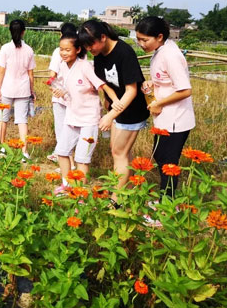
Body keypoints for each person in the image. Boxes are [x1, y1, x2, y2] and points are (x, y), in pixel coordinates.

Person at [78, 20, 150, 195]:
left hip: (132, 109)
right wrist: (108, 103)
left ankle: (116, 198)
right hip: (118, 108)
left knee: (119, 153)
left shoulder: (124, 53)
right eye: (85, 46)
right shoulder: (100, 54)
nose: (89, 49)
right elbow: (106, 82)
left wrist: (110, 116)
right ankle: (130, 189)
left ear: (103, 37)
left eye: (91, 44)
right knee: (119, 152)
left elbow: (132, 90)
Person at [136, 16, 195, 196]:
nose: (141, 44)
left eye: (145, 40)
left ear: (159, 37)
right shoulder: (161, 50)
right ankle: (164, 202)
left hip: (176, 119)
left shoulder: (171, 55)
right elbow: (167, 79)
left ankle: (167, 208)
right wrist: (152, 84)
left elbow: (185, 90)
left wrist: (158, 102)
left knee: (168, 164)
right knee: (161, 158)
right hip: (164, 118)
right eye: (138, 39)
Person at [52, 33, 119, 191]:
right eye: (61, 49)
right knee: (61, 151)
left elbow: (102, 86)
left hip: (88, 119)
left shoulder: (85, 66)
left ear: (78, 50)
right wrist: (62, 93)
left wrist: (116, 102)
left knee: (82, 159)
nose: (63, 53)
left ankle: (80, 193)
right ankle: (66, 184)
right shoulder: (63, 66)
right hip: (71, 116)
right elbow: (69, 88)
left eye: (67, 49)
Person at [0, 19, 36, 160]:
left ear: (10, 31)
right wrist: (32, 91)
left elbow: (1, 71)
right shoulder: (29, 50)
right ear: (24, 32)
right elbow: (31, 74)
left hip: (7, 88)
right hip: (23, 89)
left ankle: (2, 148)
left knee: (2, 119)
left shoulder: (5, 48)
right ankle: (24, 152)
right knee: (22, 121)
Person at [47, 22, 77, 169]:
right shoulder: (79, 51)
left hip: (60, 96)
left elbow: (52, 74)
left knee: (62, 129)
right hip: (74, 97)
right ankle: (70, 161)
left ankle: (67, 163)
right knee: (72, 128)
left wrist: (51, 83)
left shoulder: (57, 51)